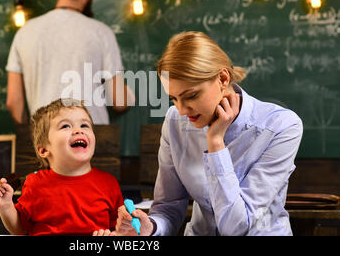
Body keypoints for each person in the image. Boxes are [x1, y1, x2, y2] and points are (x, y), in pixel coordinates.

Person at [115, 31, 303, 236]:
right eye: (174, 99)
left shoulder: (281, 126)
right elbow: (168, 207)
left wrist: (215, 143)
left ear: (223, 78)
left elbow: (236, 227)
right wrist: (150, 227)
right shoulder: (175, 121)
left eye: (191, 96)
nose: (182, 110)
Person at [6, 0, 133, 125]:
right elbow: (119, 101)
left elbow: (13, 103)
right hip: (93, 141)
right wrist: (130, 95)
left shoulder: (25, 33)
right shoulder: (101, 33)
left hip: (45, 142)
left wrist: (33, 138)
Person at [0, 98, 124, 235]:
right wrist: (5, 206)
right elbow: (19, 229)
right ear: (43, 150)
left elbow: (120, 230)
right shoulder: (35, 183)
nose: (78, 130)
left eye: (84, 125)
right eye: (65, 126)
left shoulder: (109, 184)